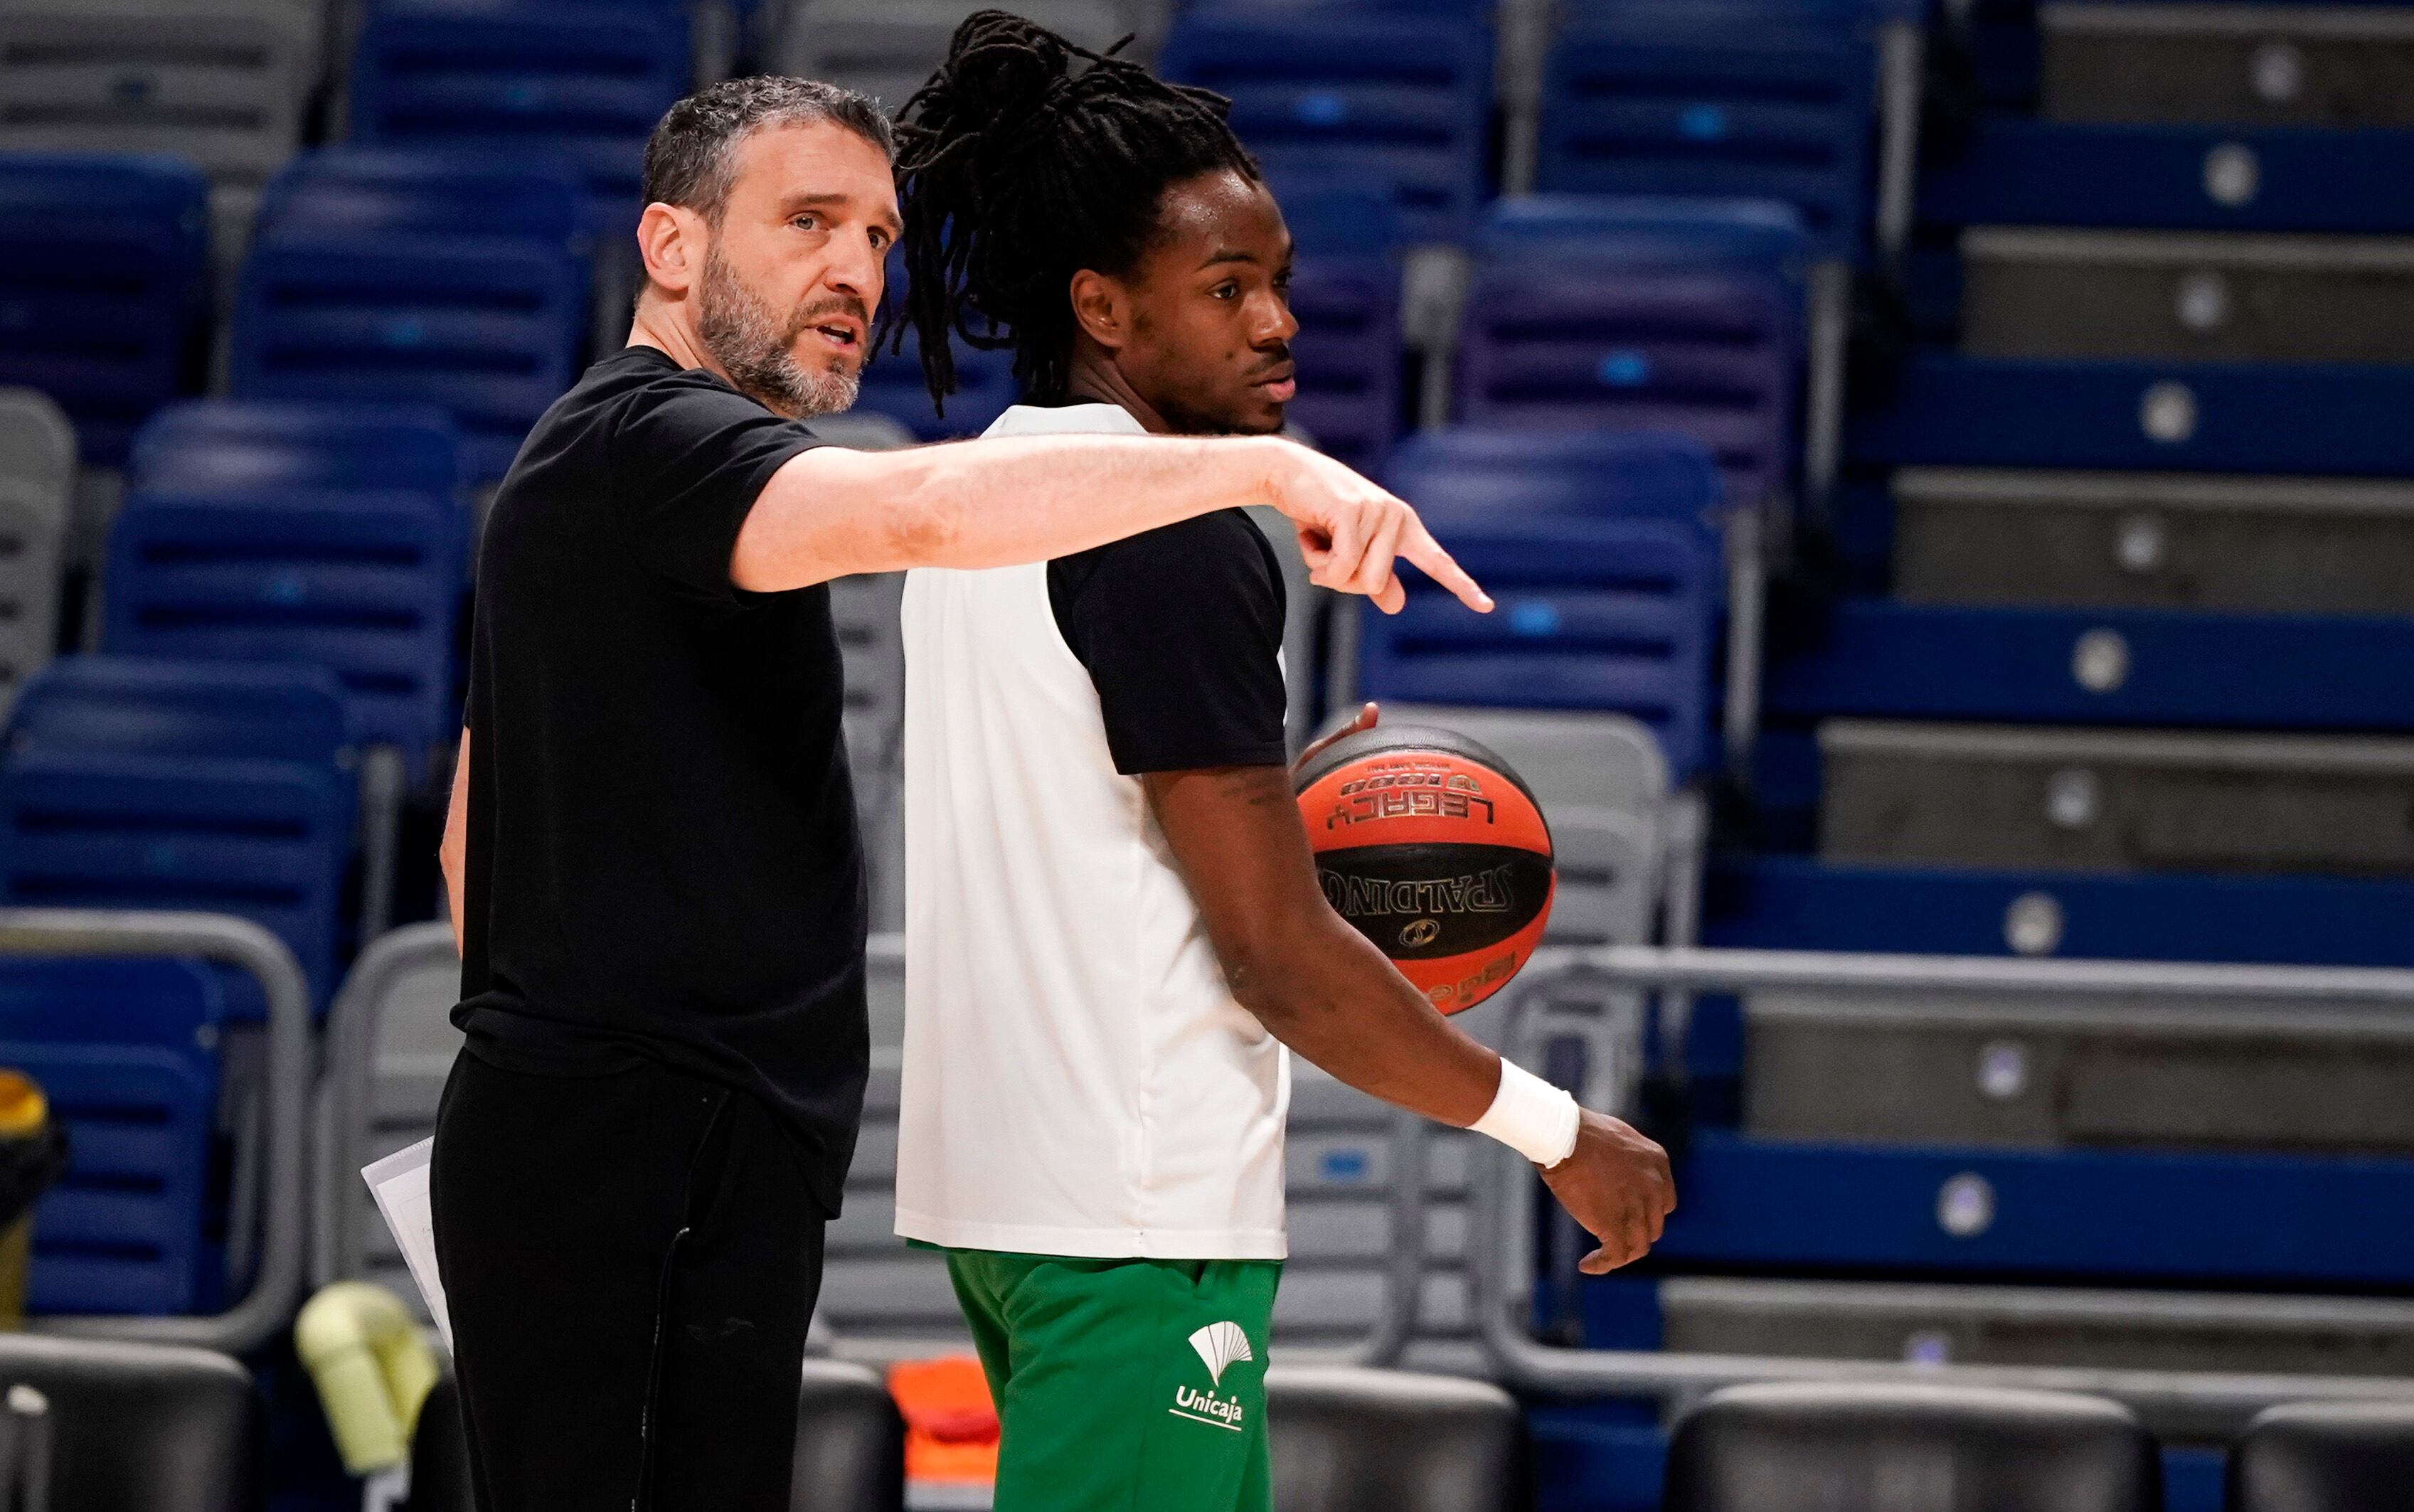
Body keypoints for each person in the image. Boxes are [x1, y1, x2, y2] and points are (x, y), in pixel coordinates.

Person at [429, 75, 1488, 1512]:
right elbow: (918, 510)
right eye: (807, 222)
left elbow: (468, 828)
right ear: (670, 248)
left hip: (655, 1137)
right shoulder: (651, 442)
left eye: (876, 234)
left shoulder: (615, 470)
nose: (855, 272)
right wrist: (1260, 472)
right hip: (638, 1138)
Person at [887, 18, 1677, 1512]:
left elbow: (1085, 802)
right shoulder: (1171, 536)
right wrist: (1556, 1129)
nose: (1276, 325)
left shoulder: (970, 500)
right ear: (1101, 310)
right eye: (1225, 288)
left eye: (1281, 285)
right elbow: (1278, 962)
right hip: (1135, 1217)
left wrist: (1251, 780)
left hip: (1005, 1197)